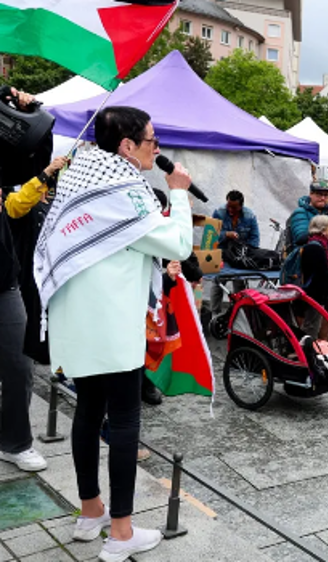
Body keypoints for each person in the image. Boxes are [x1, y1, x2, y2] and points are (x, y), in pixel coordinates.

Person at [36, 106, 194, 560]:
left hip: (75, 323)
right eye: (151, 141)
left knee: (87, 413)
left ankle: (91, 513)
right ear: (126, 146)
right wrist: (178, 193)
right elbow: (177, 244)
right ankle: (121, 534)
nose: (156, 149)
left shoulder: (78, 178)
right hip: (113, 327)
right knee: (124, 421)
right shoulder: (125, 192)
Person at [0, 86, 66, 473]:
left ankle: (14, 441)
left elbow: (28, 159)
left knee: (19, 364)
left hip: (4, 281)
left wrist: (34, 112)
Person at [208, 189, 260, 320]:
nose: (230, 209)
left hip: (239, 255)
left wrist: (246, 253)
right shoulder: (219, 212)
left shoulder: (250, 216)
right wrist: (226, 234)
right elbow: (210, 235)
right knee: (218, 282)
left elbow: (255, 238)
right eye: (228, 206)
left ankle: (238, 313)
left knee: (240, 284)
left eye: (234, 207)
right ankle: (215, 314)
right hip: (221, 253)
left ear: (241, 206)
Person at [299, 215, 328, 338]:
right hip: (314, 293)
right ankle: (305, 352)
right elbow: (322, 273)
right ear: (323, 230)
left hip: (314, 292)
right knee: (311, 325)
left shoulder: (317, 244)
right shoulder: (315, 248)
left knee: (312, 324)